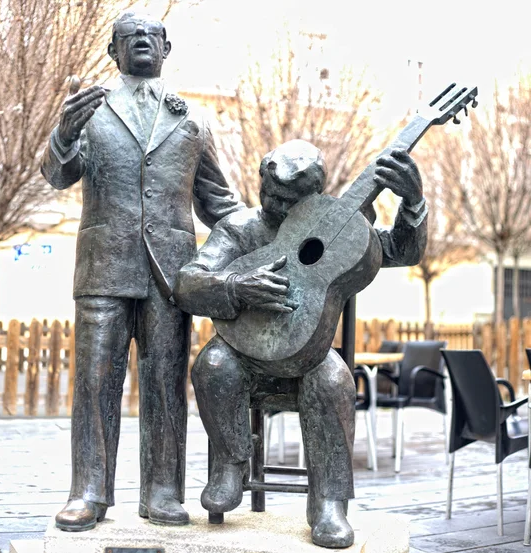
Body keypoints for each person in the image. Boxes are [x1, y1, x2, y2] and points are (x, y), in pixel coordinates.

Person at [40, 11, 242, 531]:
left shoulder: (192, 120)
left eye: (151, 38)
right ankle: (88, 492)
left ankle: (162, 492)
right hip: (105, 265)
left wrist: (275, 233)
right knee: (94, 381)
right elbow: (57, 176)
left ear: (167, 48)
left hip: (172, 275)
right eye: (131, 39)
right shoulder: (89, 111)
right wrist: (63, 134)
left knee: (166, 380)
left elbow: (220, 204)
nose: (143, 44)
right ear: (114, 51)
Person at [173, 139, 427, 548]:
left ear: (315, 195)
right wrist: (236, 286)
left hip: (309, 355)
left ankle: (328, 503)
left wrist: (413, 203)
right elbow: (187, 283)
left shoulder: (336, 229)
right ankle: (231, 461)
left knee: (334, 380)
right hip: (244, 355)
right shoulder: (240, 228)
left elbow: (402, 250)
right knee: (212, 365)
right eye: (269, 192)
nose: (275, 204)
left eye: (288, 199)